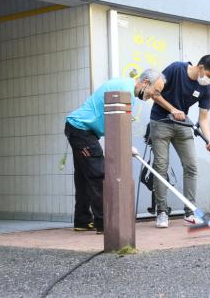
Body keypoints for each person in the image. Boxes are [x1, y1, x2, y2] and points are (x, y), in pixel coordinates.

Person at [65, 70, 166, 233]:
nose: (153, 96)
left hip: (80, 129)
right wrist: (127, 146)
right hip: (81, 130)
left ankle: (82, 221)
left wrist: (127, 146)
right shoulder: (125, 92)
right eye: (155, 91)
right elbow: (117, 125)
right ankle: (105, 224)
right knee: (98, 175)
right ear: (146, 82)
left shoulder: (127, 89)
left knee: (84, 177)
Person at [150, 55, 210, 228]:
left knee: (191, 166)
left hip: (182, 124)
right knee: (161, 166)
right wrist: (173, 109)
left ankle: (190, 212)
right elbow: (154, 92)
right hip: (160, 122)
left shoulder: (206, 87)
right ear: (201, 67)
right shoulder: (176, 69)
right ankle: (161, 212)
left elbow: (203, 118)